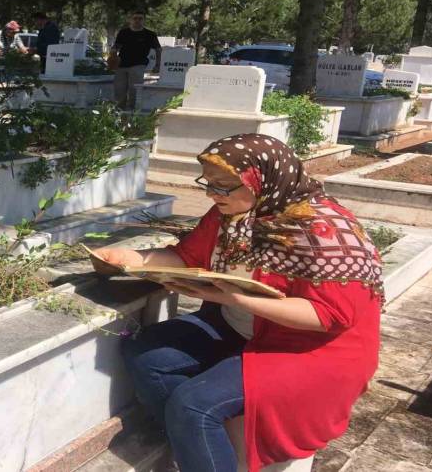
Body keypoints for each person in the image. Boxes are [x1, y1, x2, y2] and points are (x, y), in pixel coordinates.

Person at [94, 133, 382, 472]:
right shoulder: (229, 215)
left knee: (194, 405)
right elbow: (187, 256)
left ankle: (200, 440)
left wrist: (234, 297)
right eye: (209, 183)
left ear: (261, 180)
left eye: (224, 185)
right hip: (241, 326)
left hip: (313, 348)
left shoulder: (323, 230)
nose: (211, 194)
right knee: (148, 357)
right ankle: (199, 450)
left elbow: (328, 316)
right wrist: (130, 258)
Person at [111, 11, 161, 109]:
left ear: (144, 20)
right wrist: (113, 52)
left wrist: (158, 65)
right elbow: (117, 46)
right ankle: (119, 112)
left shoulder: (150, 34)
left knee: (134, 90)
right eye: (135, 18)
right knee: (119, 90)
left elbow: (158, 50)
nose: (137, 21)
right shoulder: (123, 32)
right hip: (121, 65)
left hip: (138, 64)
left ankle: (132, 112)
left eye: (140, 18)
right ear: (130, 20)